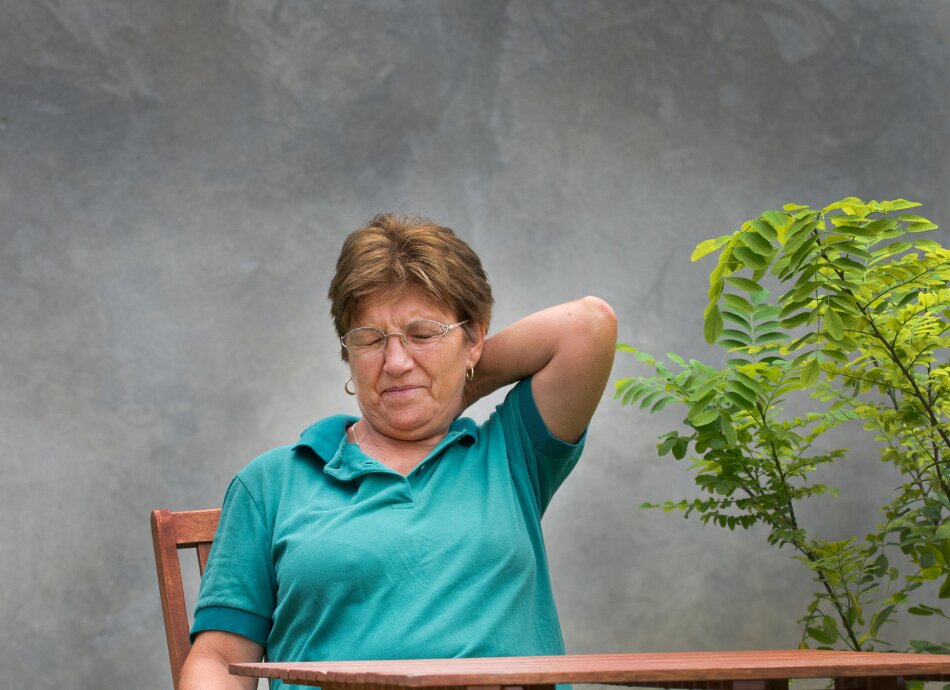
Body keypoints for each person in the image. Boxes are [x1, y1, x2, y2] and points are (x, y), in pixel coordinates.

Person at [180, 214, 617, 689]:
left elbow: (589, 327)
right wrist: (434, 379)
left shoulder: (510, 455)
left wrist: (456, 387)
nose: (396, 362)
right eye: (370, 339)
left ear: (474, 337)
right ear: (348, 352)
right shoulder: (273, 483)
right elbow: (219, 658)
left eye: (424, 334)